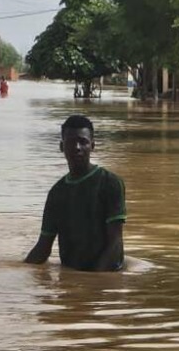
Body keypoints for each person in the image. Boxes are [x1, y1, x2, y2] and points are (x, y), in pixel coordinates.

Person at [24, 114, 126, 271]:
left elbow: (115, 243)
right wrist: (17, 273)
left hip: (106, 277)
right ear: (61, 146)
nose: (77, 147)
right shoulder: (56, 193)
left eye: (83, 142)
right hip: (71, 278)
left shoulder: (110, 183)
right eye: (71, 142)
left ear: (92, 146)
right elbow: (43, 247)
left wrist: (94, 282)